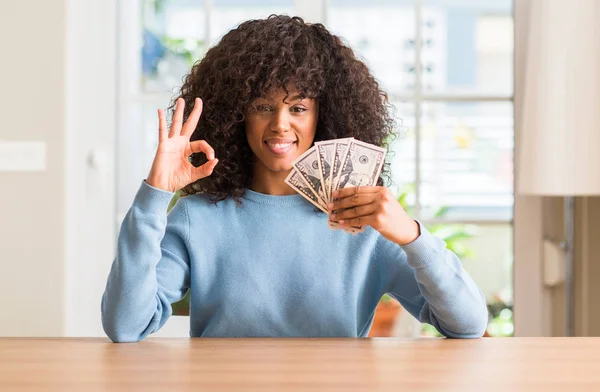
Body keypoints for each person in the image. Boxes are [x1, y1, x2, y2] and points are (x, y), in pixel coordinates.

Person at [101, 15, 488, 342]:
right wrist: (155, 195)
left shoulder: (363, 223)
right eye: (262, 106)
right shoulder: (195, 217)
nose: (279, 124)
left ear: (324, 115)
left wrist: (412, 235)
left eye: (298, 107)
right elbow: (125, 326)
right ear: (237, 116)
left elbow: (468, 325)